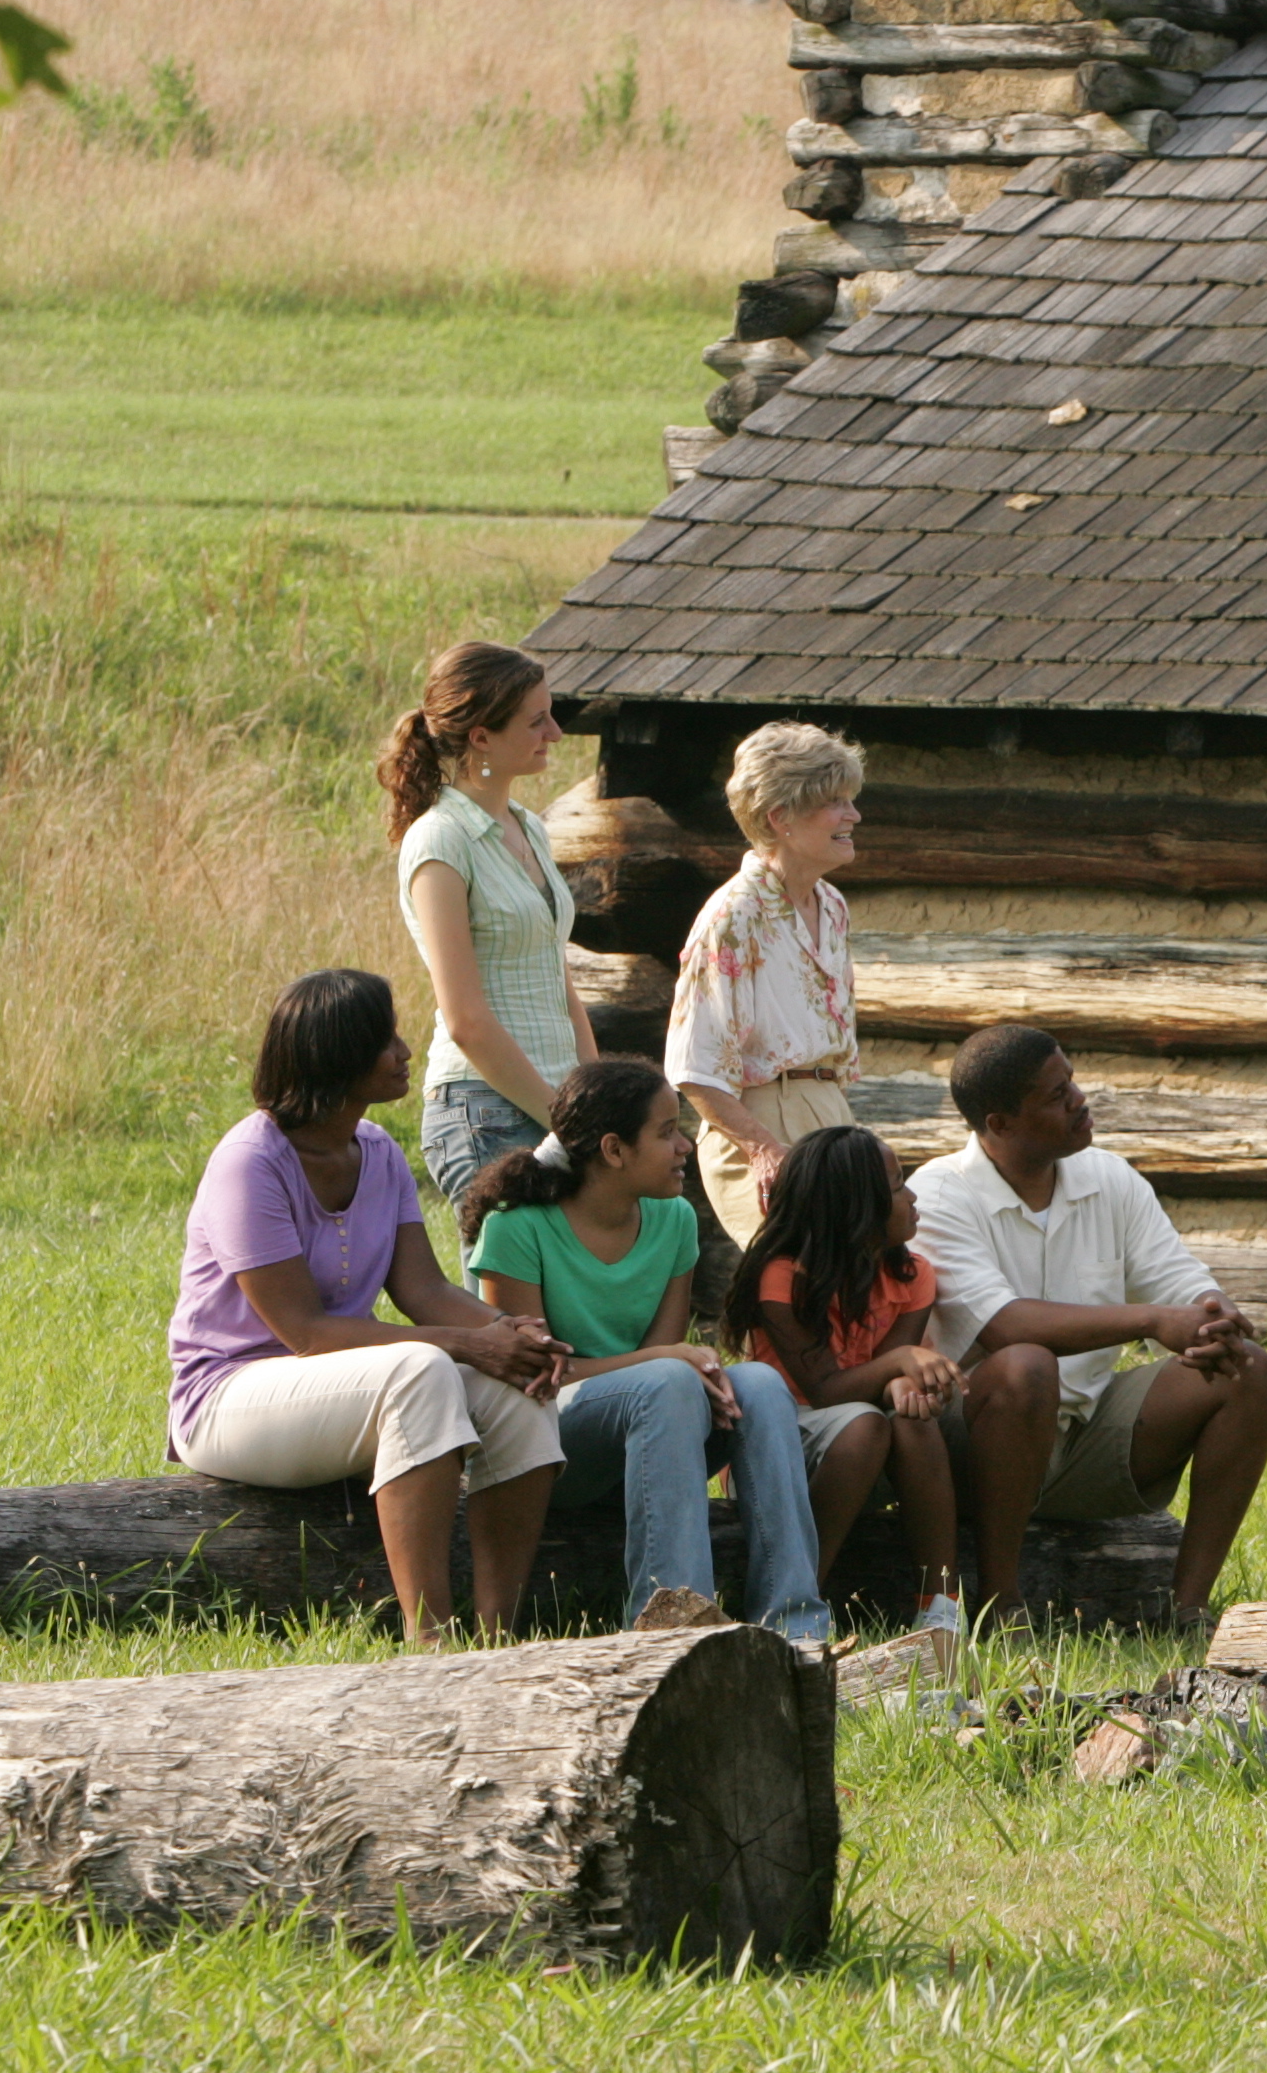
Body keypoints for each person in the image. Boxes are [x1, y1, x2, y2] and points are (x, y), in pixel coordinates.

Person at [169, 970, 567, 1645]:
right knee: (420, 1369)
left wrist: (513, 1335)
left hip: (348, 1387)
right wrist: (470, 1346)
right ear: (338, 1054)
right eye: (385, 1040)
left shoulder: (378, 1152)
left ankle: (499, 1638)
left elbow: (424, 1291)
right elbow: (305, 1332)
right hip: (228, 1398)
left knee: (517, 1392)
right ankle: (431, 1641)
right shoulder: (250, 1162)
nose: (406, 1051)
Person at [909, 1025, 1267, 1622]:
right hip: (976, 1448)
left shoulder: (1109, 1177)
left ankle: (1189, 1610)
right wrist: (1153, 1319)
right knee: (1024, 1365)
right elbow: (1004, 1325)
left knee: (1249, 1373)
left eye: (1073, 1081)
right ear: (999, 1123)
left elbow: (1177, 1276)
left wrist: (1214, 1314)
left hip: (1088, 1437)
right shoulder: (938, 1193)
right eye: (1056, 1096)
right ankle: (1001, 1606)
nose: (1079, 1100)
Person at [462, 1059, 831, 1640]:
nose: (685, 1145)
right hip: (545, 1442)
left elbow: (662, 1351)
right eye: (666, 1132)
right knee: (667, 1380)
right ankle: (673, 1626)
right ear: (614, 1149)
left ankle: (795, 1624)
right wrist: (666, 1364)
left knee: (759, 1383)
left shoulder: (673, 1219)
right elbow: (528, 1375)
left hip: (653, 1420)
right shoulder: (517, 1227)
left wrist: (688, 1366)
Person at [726, 1124, 965, 1635]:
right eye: (898, 1186)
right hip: (783, 1437)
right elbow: (825, 1390)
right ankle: (795, 1601)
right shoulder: (781, 1276)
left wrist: (902, 1383)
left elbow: (885, 1371)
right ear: (855, 1208)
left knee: (912, 1422)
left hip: (861, 1423)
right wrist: (899, 1364)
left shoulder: (912, 1276)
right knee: (863, 1425)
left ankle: (942, 1605)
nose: (912, 1196)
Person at [383, 641, 596, 1200]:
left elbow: (557, 974)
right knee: (505, 1291)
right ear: (481, 736)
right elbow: (465, 1019)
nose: (554, 733)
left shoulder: (529, 826)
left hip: (558, 1105)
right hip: (486, 1111)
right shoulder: (439, 839)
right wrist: (564, 1118)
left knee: (567, 1290)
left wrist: (594, 1095)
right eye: (537, 721)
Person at [668, 723, 866, 1243]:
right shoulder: (734, 916)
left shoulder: (832, 905)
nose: (854, 816)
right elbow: (695, 1066)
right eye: (835, 803)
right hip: (762, 1122)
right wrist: (762, 1149)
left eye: (851, 800)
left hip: (830, 1115)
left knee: (852, 1291)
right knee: (797, 1288)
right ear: (781, 818)